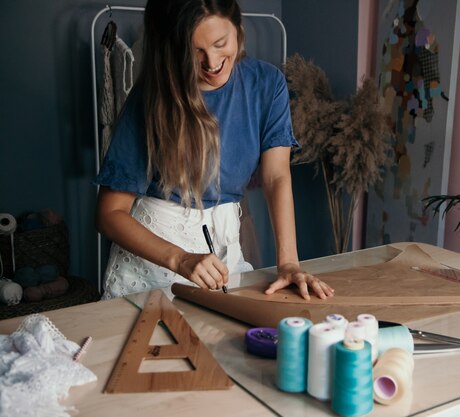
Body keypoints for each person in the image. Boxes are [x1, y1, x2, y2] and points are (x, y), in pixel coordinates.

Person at [95, 0, 334, 301]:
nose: (212, 63)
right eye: (195, 52)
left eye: (221, 43)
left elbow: (276, 177)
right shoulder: (149, 99)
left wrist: (288, 264)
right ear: (172, 50)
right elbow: (109, 214)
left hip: (224, 255)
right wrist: (180, 258)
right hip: (152, 265)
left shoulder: (267, 85)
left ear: (238, 28)